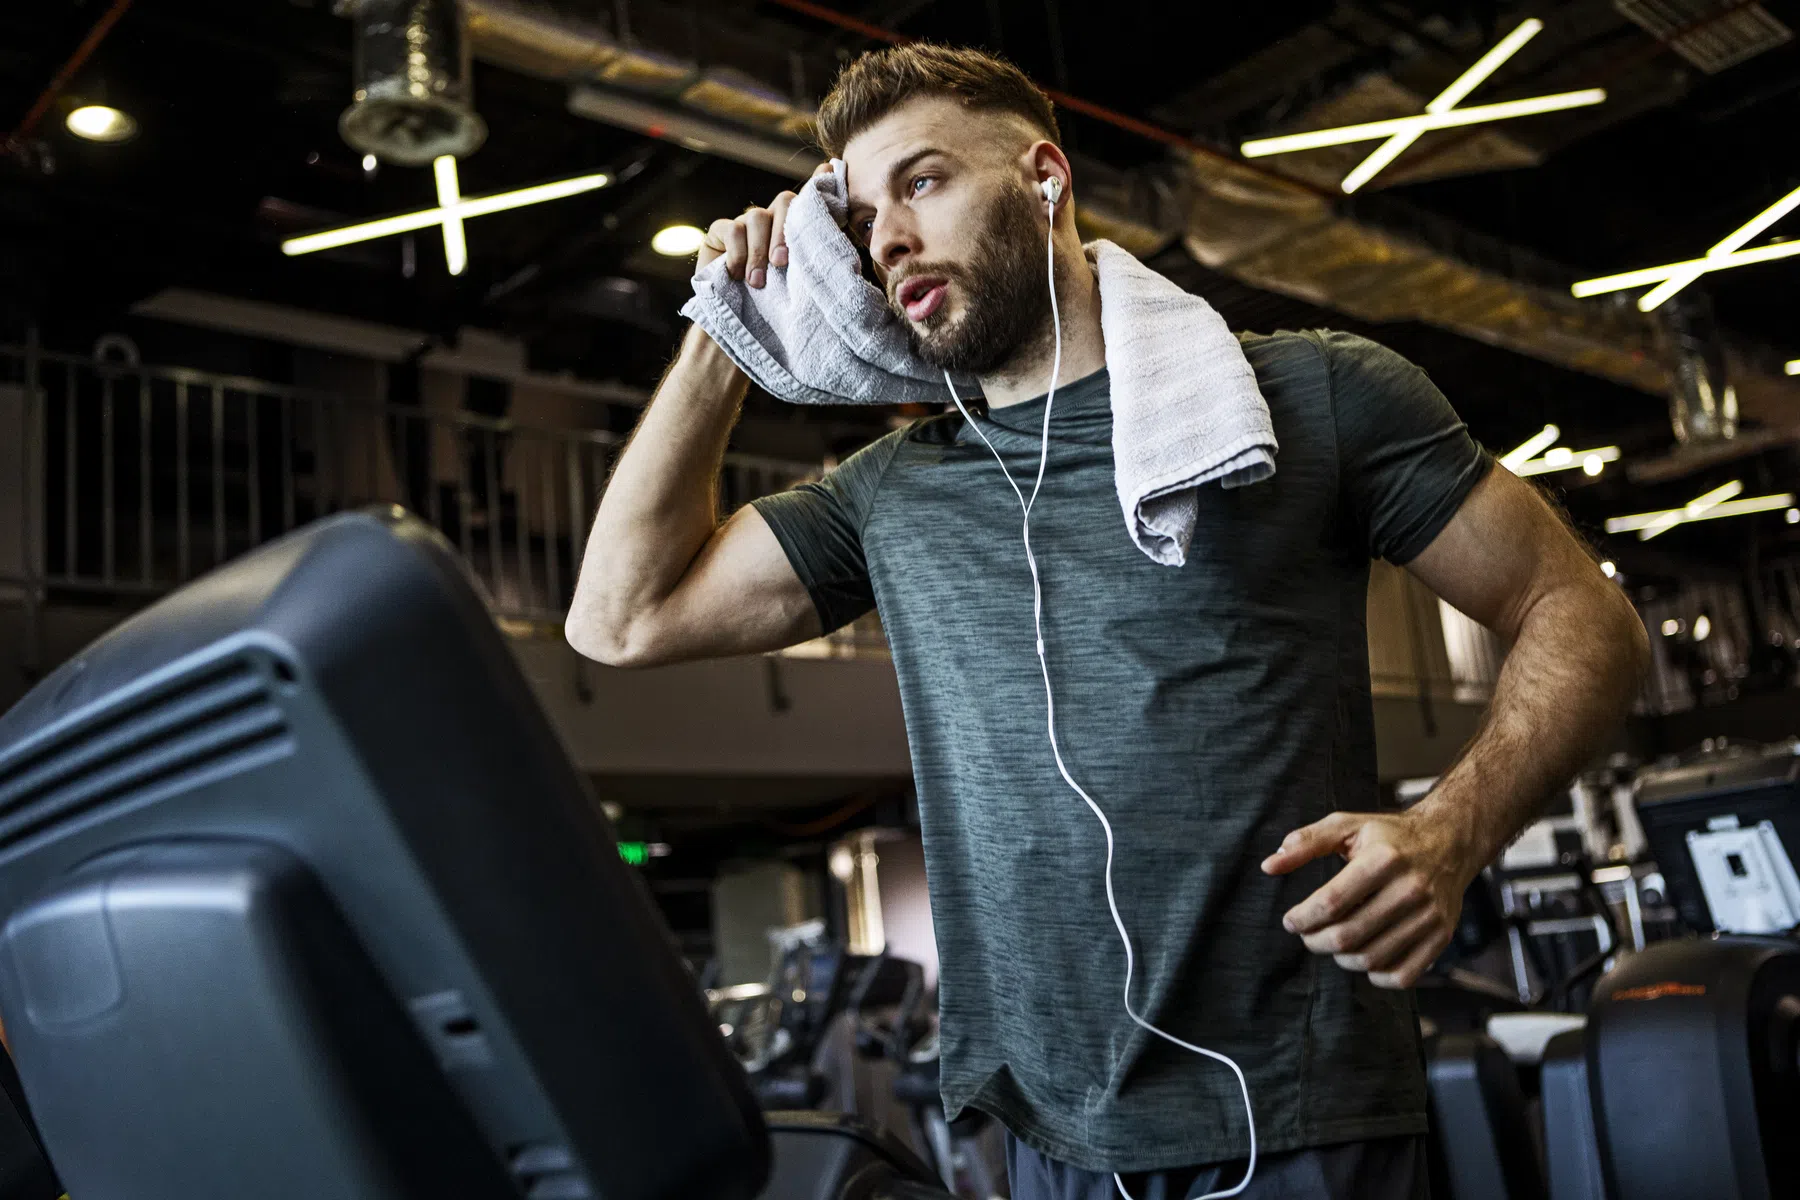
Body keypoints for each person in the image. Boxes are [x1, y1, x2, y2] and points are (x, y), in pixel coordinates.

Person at [566, 42, 1648, 1200]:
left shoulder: (1313, 396)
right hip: (1044, 1138)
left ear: (1044, 178)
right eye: (864, 215)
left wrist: (1452, 831)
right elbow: (621, 619)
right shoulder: (890, 492)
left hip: (1297, 1116)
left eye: (922, 181)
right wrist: (722, 329)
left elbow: (1581, 613)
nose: (885, 238)